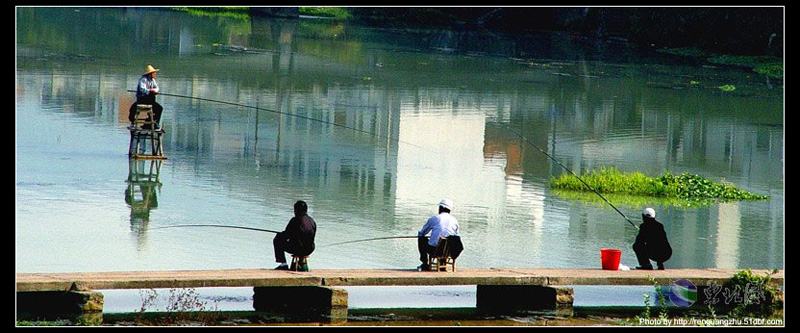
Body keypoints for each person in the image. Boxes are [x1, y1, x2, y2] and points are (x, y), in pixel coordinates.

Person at [417, 198, 462, 271]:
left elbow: (422, 233)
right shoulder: (455, 220)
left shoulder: (434, 218)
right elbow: (456, 236)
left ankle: (425, 263)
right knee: (446, 243)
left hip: (434, 250)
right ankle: (443, 263)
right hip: (449, 251)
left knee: (421, 239)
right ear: (449, 210)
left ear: (440, 208)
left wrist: (424, 236)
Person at [273, 200, 317, 270]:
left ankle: (283, 264)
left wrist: (280, 234)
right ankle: (301, 262)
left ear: (296, 210)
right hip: (310, 249)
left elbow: (286, 235)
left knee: (277, 239)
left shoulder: (295, 220)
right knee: (301, 242)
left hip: (297, 249)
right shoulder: (312, 221)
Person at [128, 65, 164, 129]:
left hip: (150, 100)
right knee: (150, 96)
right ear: (150, 74)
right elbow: (142, 89)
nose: (155, 74)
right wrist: (150, 90)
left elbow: (157, 88)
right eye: (154, 73)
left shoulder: (152, 80)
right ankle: (145, 122)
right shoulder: (143, 79)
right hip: (142, 99)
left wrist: (155, 90)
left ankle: (155, 122)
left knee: (160, 108)